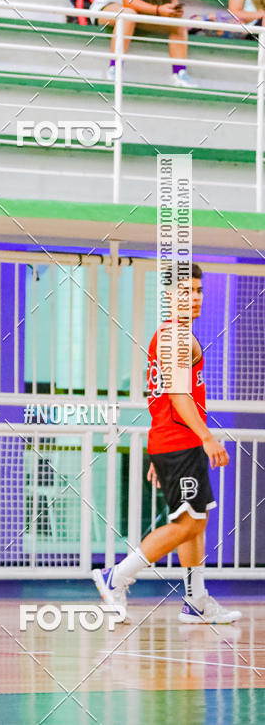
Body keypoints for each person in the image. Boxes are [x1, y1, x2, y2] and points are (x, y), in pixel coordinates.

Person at [93, 264, 242, 625]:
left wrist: (163, 452)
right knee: (188, 525)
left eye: (198, 291)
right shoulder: (174, 336)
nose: (194, 298)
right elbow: (177, 394)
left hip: (174, 443)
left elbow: (162, 398)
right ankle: (117, 576)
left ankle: (196, 601)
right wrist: (206, 437)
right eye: (185, 292)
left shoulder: (175, 334)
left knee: (195, 520)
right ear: (169, 297)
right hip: (180, 442)